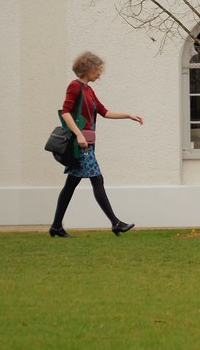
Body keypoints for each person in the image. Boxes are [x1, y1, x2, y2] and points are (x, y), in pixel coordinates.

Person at [49, 51, 144, 238]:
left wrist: (129, 115)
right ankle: (115, 223)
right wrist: (78, 135)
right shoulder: (74, 87)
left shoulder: (88, 90)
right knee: (97, 179)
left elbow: (104, 111)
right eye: (98, 69)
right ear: (88, 68)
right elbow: (66, 112)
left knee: (70, 185)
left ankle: (56, 226)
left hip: (87, 143)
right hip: (81, 145)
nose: (100, 73)